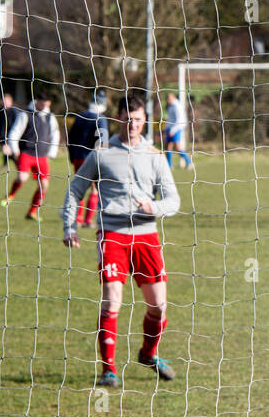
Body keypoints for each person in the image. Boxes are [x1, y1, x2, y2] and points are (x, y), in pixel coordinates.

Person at [62, 91, 180, 389]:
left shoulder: (155, 156)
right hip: (112, 234)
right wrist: (69, 227)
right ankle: (108, 370)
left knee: (159, 307)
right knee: (112, 299)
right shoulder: (101, 153)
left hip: (146, 236)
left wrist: (153, 207)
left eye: (138, 120)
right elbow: (75, 190)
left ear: (145, 121)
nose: (132, 125)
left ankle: (148, 353)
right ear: (118, 119)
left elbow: (173, 200)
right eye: (127, 119)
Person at [2, 90, 60, 220]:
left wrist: (52, 152)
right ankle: (10, 195)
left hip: (42, 156)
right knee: (22, 178)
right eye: (42, 102)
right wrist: (14, 148)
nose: (44, 105)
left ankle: (32, 212)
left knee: (44, 185)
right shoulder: (25, 115)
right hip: (27, 153)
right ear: (36, 101)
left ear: (48, 103)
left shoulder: (50, 117)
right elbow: (15, 132)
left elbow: (55, 135)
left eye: (46, 102)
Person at [66, 90, 110, 226]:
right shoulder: (100, 119)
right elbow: (103, 142)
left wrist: (72, 155)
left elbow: (70, 137)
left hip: (78, 157)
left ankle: (77, 219)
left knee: (79, 188)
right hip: (92, 158)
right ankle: (87, 220)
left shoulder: (80, 116)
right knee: (94, 189)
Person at [163, 92, 193, 169]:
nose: (167, 100)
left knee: (177, 147)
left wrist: (173, 130)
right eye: (167, 98)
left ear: (173, 97)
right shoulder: (170, 106)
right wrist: (166, 128)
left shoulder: (177, 106)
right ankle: (169, 165)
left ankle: (189, 163)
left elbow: (179, 120)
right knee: (168, 148)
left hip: (176, 129)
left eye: (169, 98)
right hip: (170, 129)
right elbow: (169, 119)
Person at [0, 91, 19, 169]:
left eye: (6, 101)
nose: (4, 103)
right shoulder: (0, 111)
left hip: (12, 135)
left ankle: (12, 164)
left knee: (7, 150)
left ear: (10, 102)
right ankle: (13, 164)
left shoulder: (14, 111)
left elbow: (17, 125)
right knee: (6, 151)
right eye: (3, 101)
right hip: (2, 135)